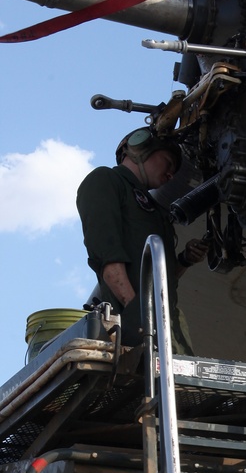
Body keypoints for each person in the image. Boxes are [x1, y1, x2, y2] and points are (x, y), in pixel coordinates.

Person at [76, 127, 206, 353]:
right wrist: (137, 310)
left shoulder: (157, 211)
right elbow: (108, 260)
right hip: (138, 325)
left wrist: (185, 260)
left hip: (168, 325)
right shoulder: (106, 179)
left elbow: (161, 279)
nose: (171, 175)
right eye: (168, 163)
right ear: (140, 149)